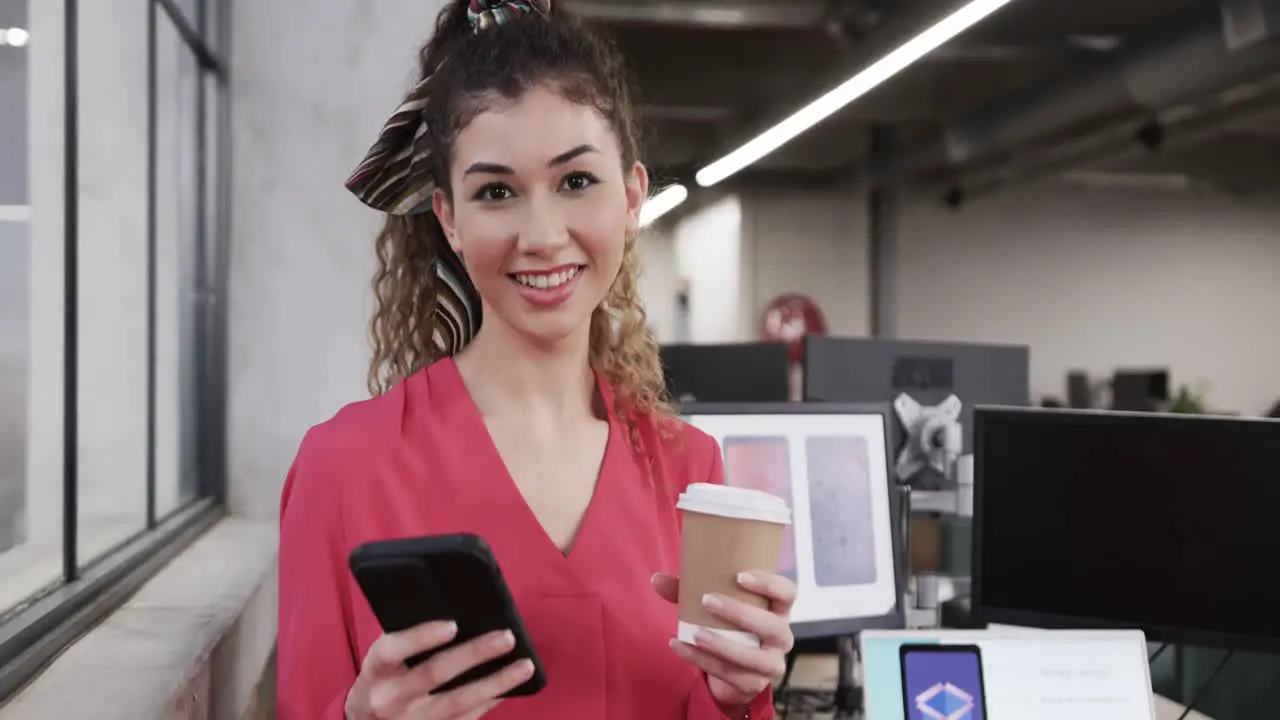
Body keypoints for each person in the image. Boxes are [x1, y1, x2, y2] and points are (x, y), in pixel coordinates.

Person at [276, 1, 798, 718]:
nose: (543, 235)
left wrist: (739, 696)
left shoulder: (688, 471)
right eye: (497, 193)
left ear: (632, 197)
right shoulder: (342, 469)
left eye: (576, 182)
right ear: (450, 219)